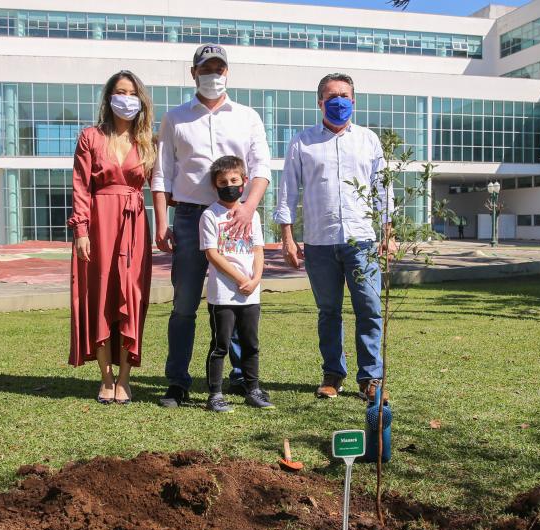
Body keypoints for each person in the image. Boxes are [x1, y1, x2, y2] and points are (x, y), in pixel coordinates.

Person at [151, 44, 272, 408]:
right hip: (189, 218)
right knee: (184, 304)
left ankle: (241, 380)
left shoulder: (248, 116)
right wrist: (161, 222)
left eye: (219, 69)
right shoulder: (175, 118)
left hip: (236, 217)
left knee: (237, 299)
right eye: (206, 69)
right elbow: (161, 174)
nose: (213, 76)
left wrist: (249, 207)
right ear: (193, 74)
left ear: (227, 74)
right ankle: (177, 382)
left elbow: (261, 167)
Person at [273, 73, 394, 403]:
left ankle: (370, 377)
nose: (338, 100)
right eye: (331, 95)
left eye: (344, 95)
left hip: (362, 241)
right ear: (320, 102)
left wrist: (388, 232)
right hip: (319, 241)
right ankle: (332, 375)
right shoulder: (303, 142)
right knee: (329, 312)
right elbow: (288, 191)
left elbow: (383, 188)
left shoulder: (369, 141)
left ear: (353, 100)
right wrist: (287, 236)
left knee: (369, 308)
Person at [68, 70, 156, 405]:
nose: (126, 98)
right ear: (109, 97)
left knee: (130, 295)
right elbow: (80, 185)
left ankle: (124, 379)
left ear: (140, 100)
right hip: (99, 221)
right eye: (120, 92)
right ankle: (105, 378)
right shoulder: (90, 137)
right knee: (100, 294)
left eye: (133, 93)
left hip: (134, 224)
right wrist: (80, 230)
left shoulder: (146, 141)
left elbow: (159, 187)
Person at [200, 155, 274, 412]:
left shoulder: (251, 215)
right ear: (215, 184)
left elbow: (258, 250)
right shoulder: (210, 215)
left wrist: (255, 279)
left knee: (251, 343)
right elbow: (212, 254)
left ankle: (253, 389)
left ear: (244, 181)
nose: (229, 184)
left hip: (250, 295)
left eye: (234, 180)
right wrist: (241, 279)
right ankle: (215, 395)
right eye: (223, 181)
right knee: (220, 344)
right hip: (223, 295)